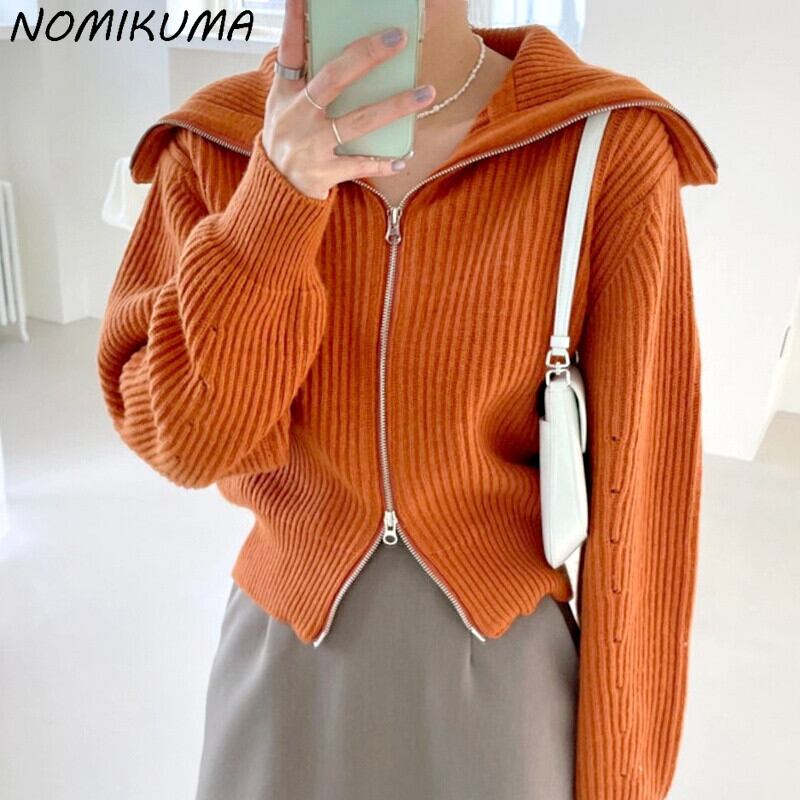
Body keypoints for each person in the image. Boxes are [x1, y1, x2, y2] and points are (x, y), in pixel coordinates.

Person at [96, 1, 718, 798]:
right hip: (284, 675)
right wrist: (273, 202)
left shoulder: (604, 146)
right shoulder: (212, 146)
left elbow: (647, 509)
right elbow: (188, 440)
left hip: (503, 689)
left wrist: (621, 777)